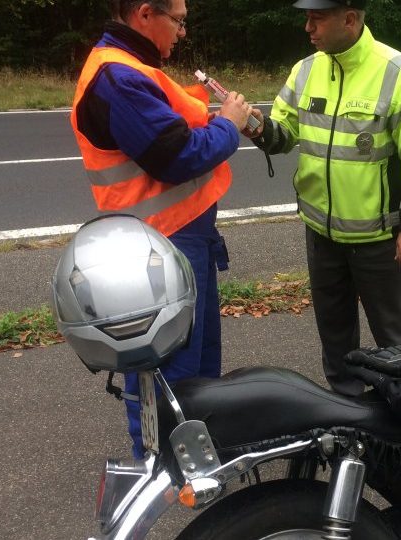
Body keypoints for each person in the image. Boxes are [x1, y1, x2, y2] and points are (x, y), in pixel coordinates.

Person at [69, 0, 254, 458]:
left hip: (184, 235)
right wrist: (228, 126)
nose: (183, 32)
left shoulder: (135, 67)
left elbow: (171, 124)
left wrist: (204, 115)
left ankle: (199, 448)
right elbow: (176, 158)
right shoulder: (118, 77)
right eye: (179, 21)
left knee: (199, 358)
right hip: (160, 242)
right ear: (145, 13)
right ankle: (162, 462)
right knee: (164, 362)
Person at [249, 0, 401, 396]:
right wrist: (255, 126)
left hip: (379, 240)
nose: (308, 28)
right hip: (321, 234)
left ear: (349, 19)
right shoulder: (305, 71)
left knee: (393, 341)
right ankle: (347, 417)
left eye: (316, 18)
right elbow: (284, 134)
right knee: (335, 339)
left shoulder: (397, 73)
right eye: (306, 18)